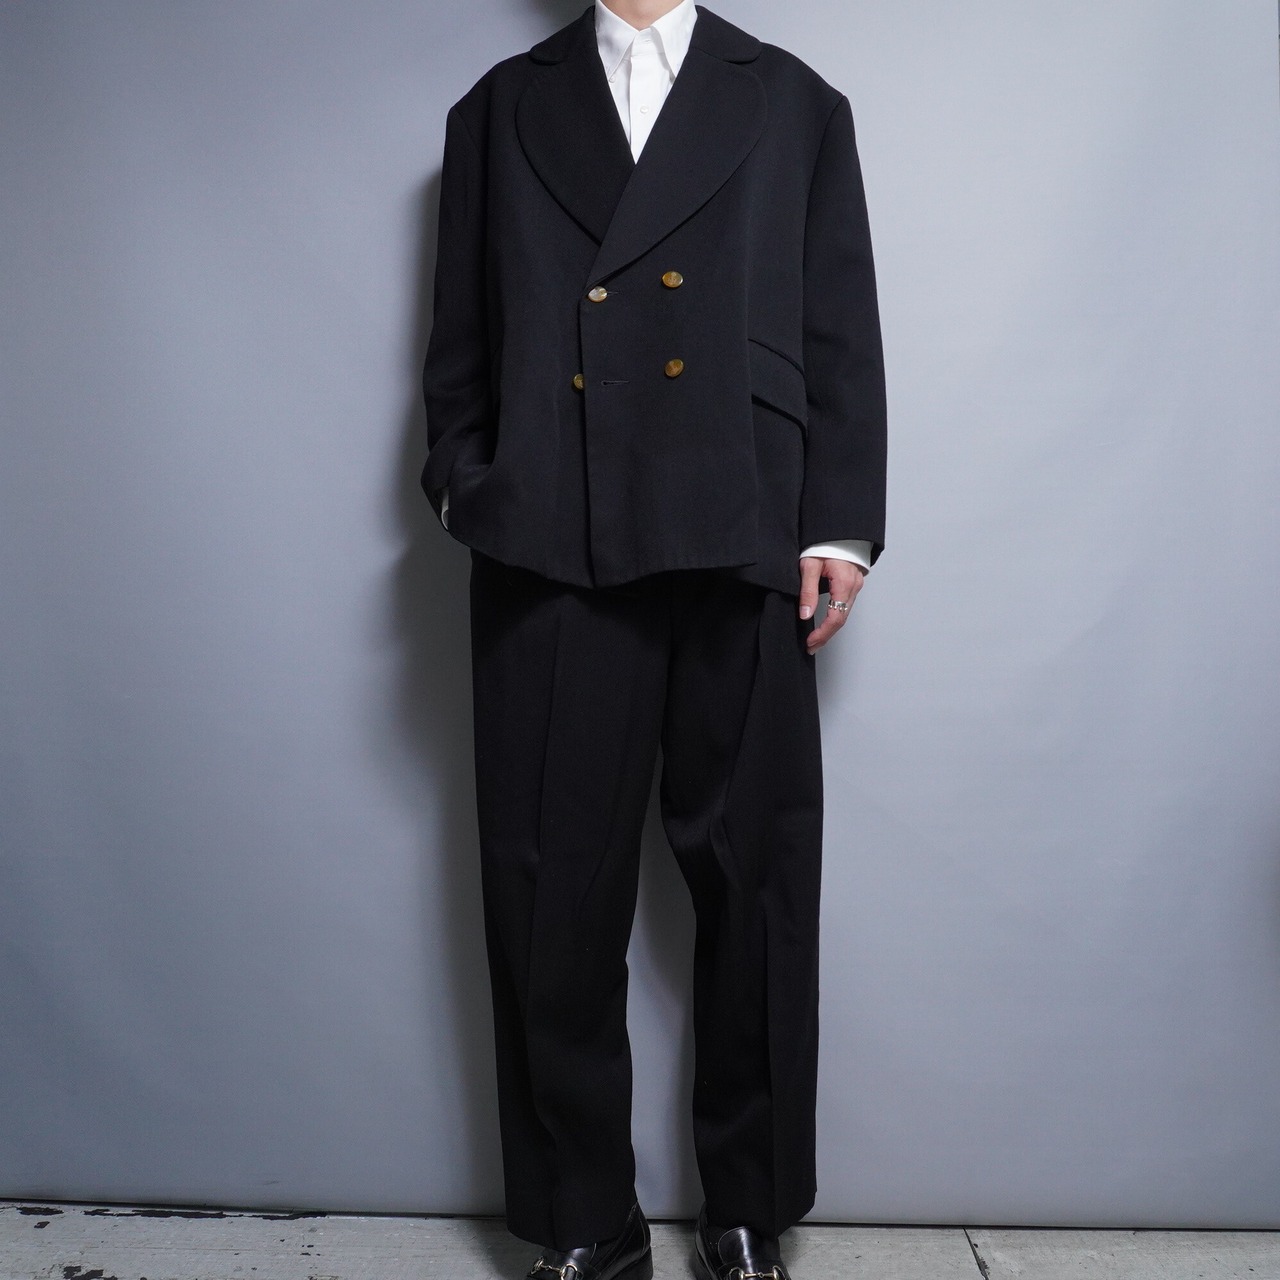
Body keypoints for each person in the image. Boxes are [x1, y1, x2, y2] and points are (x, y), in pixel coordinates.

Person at [420, 1, 886, 1276]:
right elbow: (458, 342)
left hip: (740, 523)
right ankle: (587, 1215)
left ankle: (747, 1202)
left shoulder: (791, 100)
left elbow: (838, 323)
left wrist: (838, 524)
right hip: (549, 536)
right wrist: (472, 485)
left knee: (755, 883)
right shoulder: (499, 108)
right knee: (548, 892)